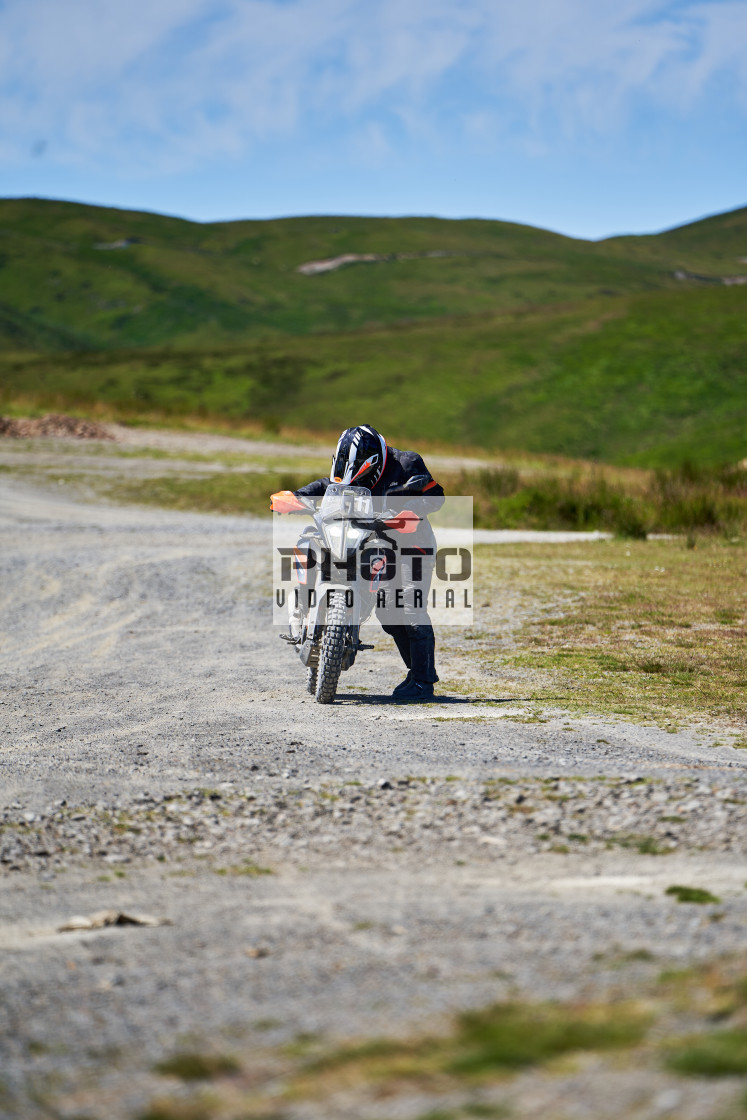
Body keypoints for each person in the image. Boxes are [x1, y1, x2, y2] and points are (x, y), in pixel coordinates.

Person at [293, 424, 444, 702]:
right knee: (388, 614)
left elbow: (436, 497)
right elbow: (329, 486)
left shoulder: (408, 463)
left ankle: (424, 682)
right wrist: (298, 496)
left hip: (414, 545)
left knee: (409, 608)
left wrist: (410, 510)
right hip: (376, 544)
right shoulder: (346, 469)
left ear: (375, 462)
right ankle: (415, 673)